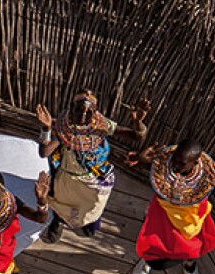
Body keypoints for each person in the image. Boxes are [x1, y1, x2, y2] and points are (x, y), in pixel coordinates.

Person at [127, 138, 215, 274]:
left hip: (191, 221)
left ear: (195, 163)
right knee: (154, 239)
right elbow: (137, 165)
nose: (175, 165)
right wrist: (139, 160)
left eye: (182, 163)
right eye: (175, 159)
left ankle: (190, 267)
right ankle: (148, 261)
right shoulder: (163, 166)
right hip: (162, 213)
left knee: (191, 248)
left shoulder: (206, 179)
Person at [35, 90, 149, 242]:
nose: (83, 116)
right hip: (67, 178)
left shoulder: (101, 125)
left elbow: (136, 136)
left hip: (95, 180)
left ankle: (89, 223)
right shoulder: (64, 127)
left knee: (93, 207)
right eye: (79, 110)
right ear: (71, 107)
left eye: (89, 112)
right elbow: (45, 152)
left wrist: (138, 122)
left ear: (95, 112)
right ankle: (59, 221)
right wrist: (46, 128)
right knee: (62, 203)